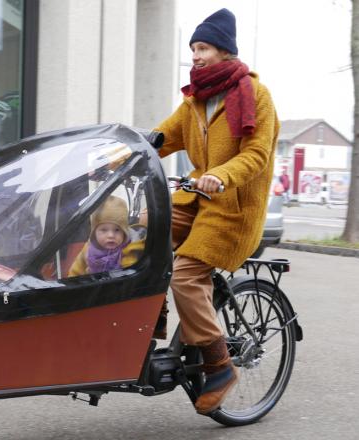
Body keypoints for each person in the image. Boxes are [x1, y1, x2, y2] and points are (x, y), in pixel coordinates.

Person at [155, 8, 279, 415]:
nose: (195, 55)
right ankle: (144, 327)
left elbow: (257, 154)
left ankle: (219, 364)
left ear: (224, 51)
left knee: (186, 275)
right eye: (192, 48)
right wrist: (122, 149)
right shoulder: (196, 99)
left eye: (203, 47)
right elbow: (162, 136)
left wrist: (222, 176)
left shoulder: (254, 96)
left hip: (233, 209)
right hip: (194, 201)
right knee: (136, 233)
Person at [68, 195, 144, 277]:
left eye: (117, 230)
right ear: (94, 232)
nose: (111, 235)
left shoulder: (130, 250)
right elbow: (74, 274)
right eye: (104, 230)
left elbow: (131, 278)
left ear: (124, 232)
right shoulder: (88, 249)